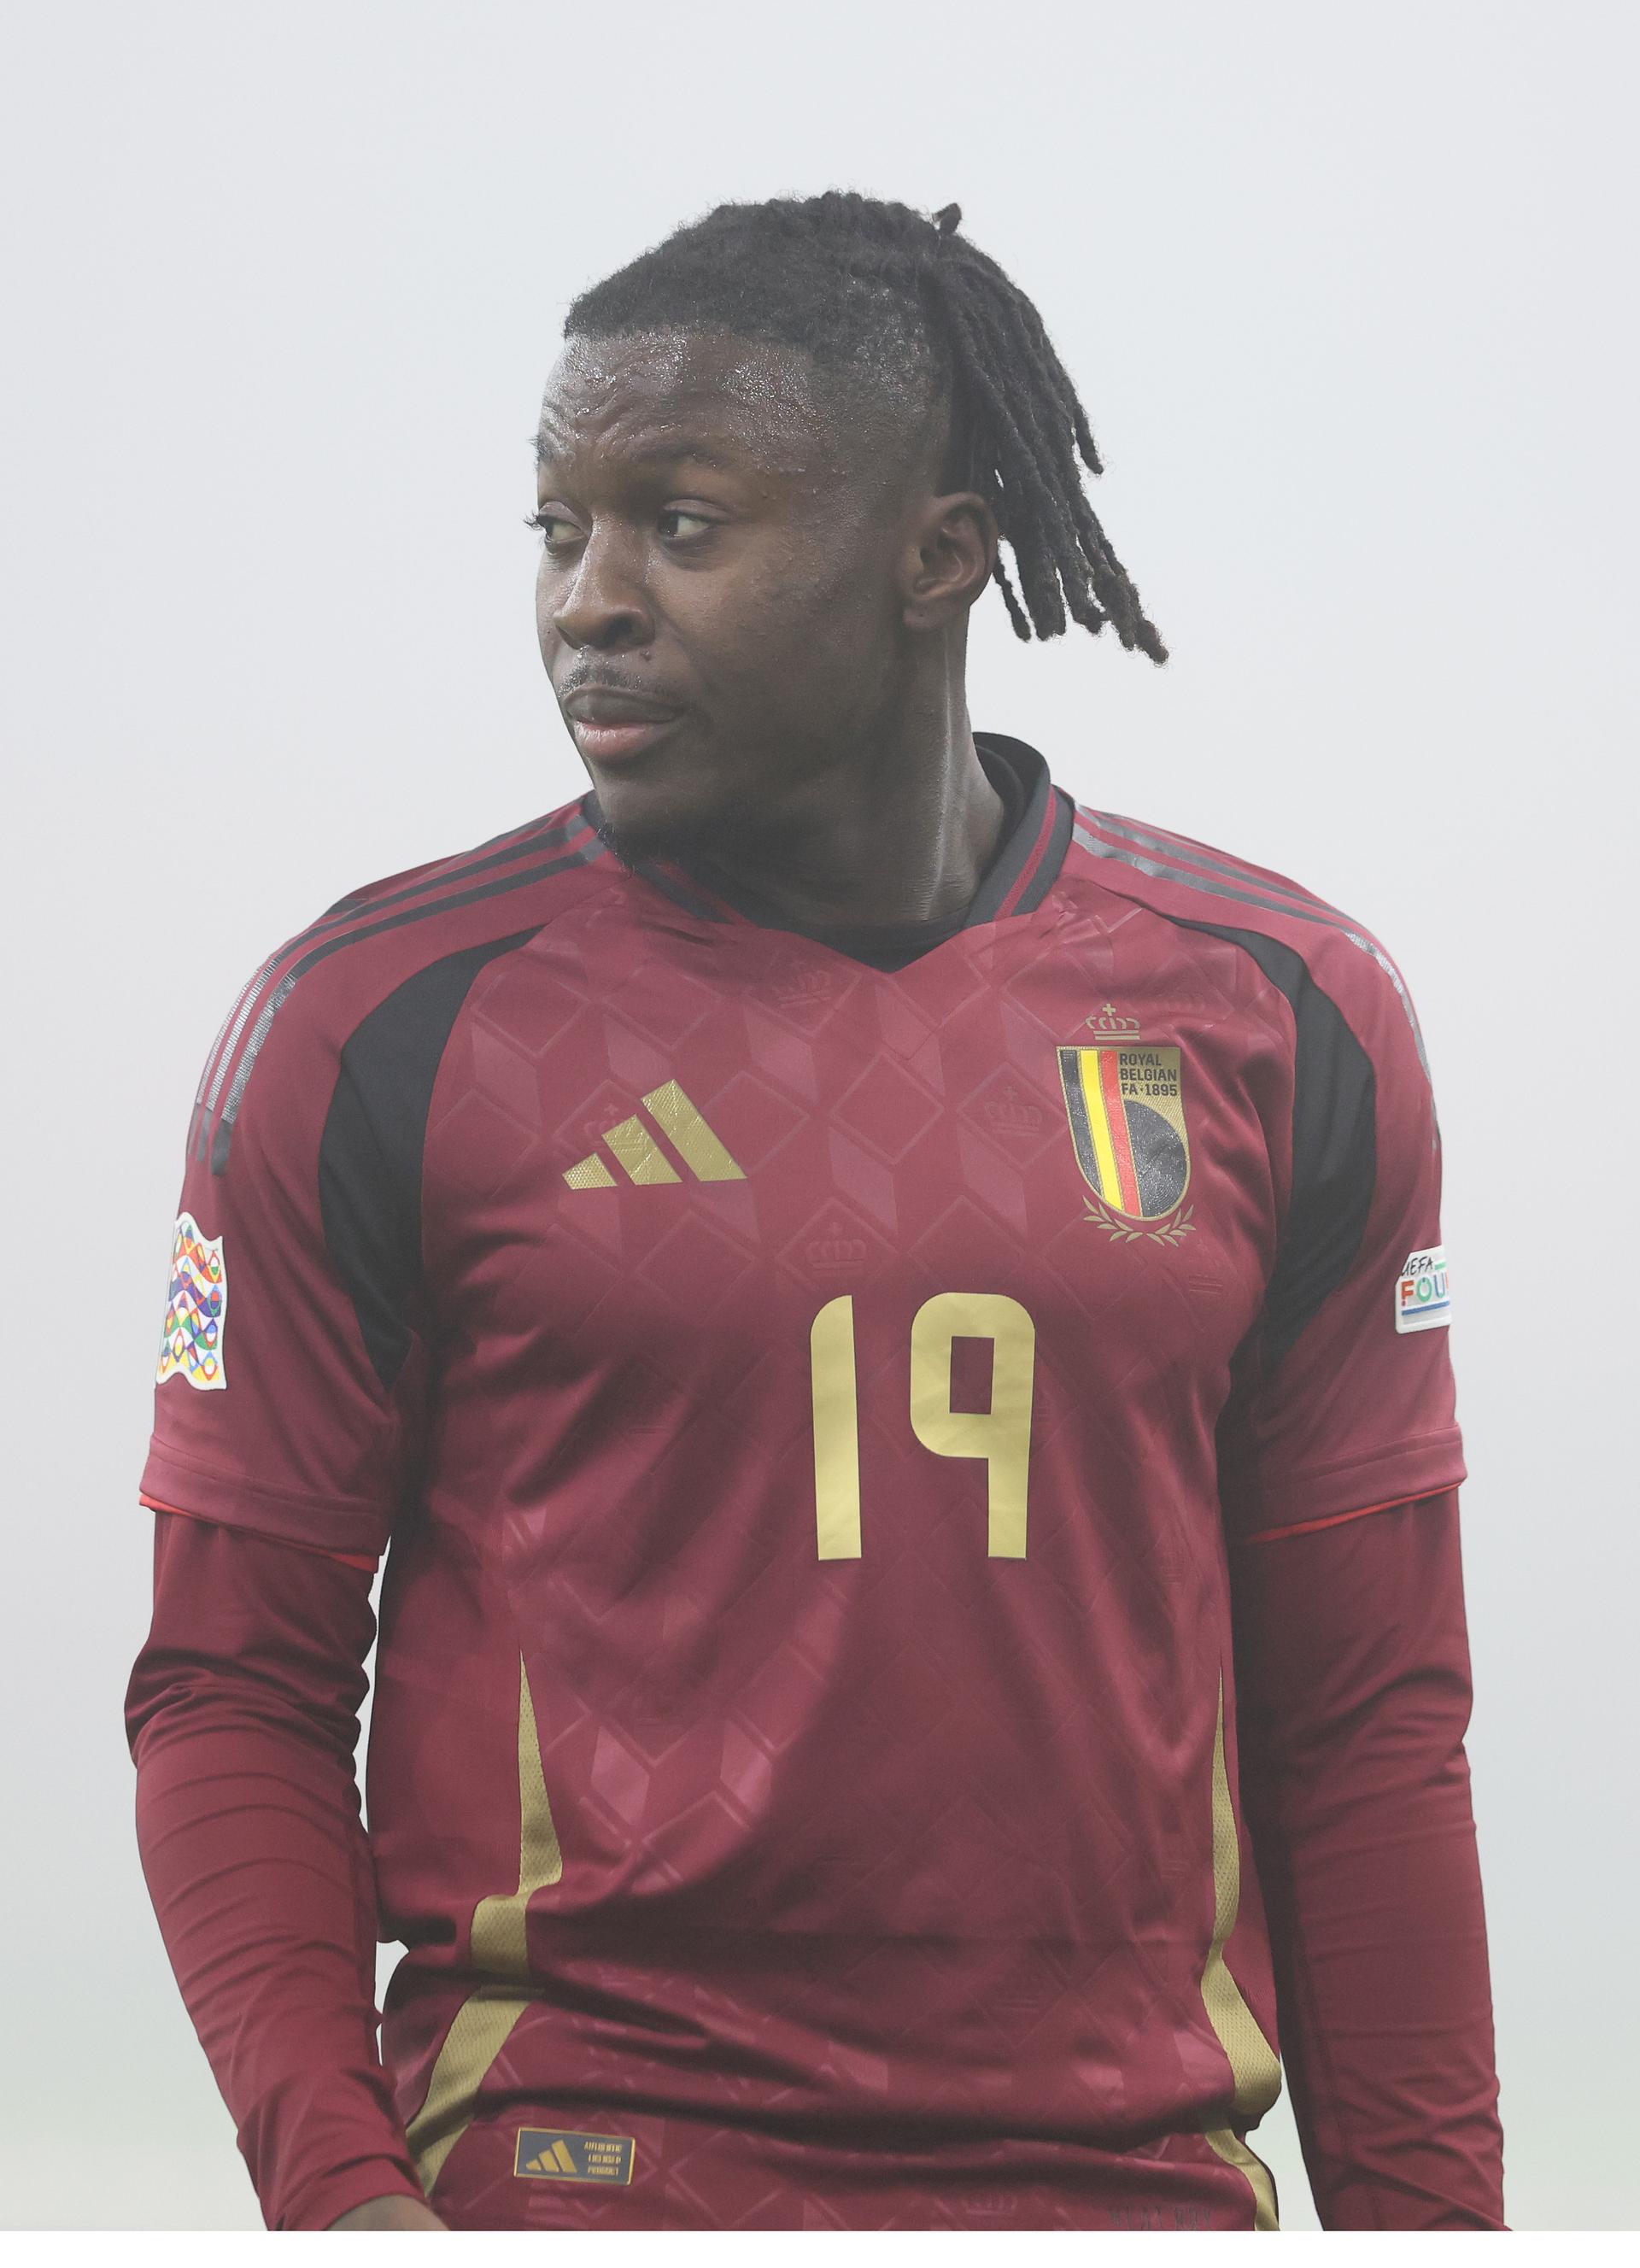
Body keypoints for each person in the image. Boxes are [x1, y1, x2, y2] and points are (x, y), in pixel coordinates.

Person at [126, 192, 1504, 2232]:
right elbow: (231, 1690)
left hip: (1127, 2190)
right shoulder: (378, 1027)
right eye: (558, 529)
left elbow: (1365, 1721)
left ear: (939, 555)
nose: (588, 603)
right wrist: (346, 2211)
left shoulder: (1284, 1012)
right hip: (580, 2172)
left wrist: (1441, 2238)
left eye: (678, 527)